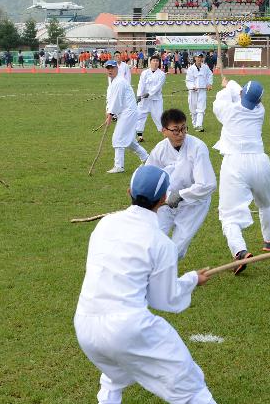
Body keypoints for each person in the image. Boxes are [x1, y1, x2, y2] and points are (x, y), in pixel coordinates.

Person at [74, 165, 216, 404]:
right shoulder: (161, 243)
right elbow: (164, 299)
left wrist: (191, 279)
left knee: (113, 376)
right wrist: (192, 280)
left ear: (129, 190)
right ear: (162, 199)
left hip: (86, 325)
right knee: (189, 384)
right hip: (127, 327)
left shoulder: (105, 224)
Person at [212, 77, 270, 273]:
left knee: (228, 215)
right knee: (265, 203)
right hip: (259, 161)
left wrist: (226, 86)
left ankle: (240, 251)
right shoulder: (260, 111)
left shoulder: (228, 110)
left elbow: (219, 100)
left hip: (235, 163)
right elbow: (243, 94)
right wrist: (231, 83)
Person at [146, 108, 216, 259]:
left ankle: (165, 277)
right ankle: (149, 275)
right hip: (166, 201)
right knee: (154, 238)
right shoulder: (160, 150)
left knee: (177, 247)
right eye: (175, 130)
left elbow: (207, 184)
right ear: (164, 131)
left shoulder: (198, 147)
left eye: (184, 128)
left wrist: (181, 195)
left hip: (194, 204)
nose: (181, 134)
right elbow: (149, 174)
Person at [105, 60, 148, 173]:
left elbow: (116, 101)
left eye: (112, 68)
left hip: (128, 112)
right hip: (125, 112)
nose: (110, 70)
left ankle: (119, 166)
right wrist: (108, 111)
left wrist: (110, 114)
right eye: (108, 68)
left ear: (117, 69)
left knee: (118, 138)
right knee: (129, 141)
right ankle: (146, 158)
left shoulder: (119, 82)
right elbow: (110, 99)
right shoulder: (112, 82)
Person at [135, 54, 166, 142]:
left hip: (156, 100)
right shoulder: (145, 73)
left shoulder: (162, 74)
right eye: (154, 61)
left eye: (157, 61)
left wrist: (149, 93)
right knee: (140, 115)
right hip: (144, 99)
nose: (155, 63)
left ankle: (165, 134)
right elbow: (141, 84)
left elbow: (157, 87)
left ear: (159, 63)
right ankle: (140, 136)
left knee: (159, 116)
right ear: (150, 62)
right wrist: (139, 95)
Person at [185, 53, 213, 132]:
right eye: (198, 57)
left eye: (201, 57)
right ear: (195, 58)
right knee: (193, 110)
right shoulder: (190, 69)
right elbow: (189, 80)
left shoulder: (205, 67)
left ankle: (199, 125)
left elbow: (209, 75)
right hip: (193, 92)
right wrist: (192, 87)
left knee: (201, 109)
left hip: (202, 91)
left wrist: (209, 84)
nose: (199, 59)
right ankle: (195, 124)